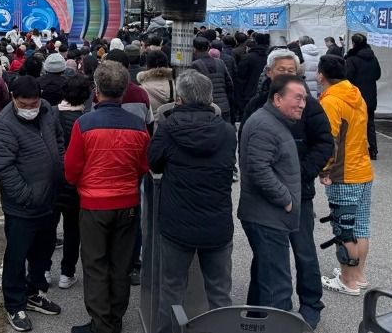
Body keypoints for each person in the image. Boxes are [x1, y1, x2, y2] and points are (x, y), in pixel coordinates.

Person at [65, 61, 149, 333]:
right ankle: (115, 318)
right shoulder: (138, 125)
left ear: (96, 91)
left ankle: (101, 323)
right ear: (123, 91)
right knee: (121, 264)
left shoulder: (84, 124)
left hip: (94, 203)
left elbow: (72, 168)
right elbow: (143, 165)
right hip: (127, 201)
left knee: (95, 264)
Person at [149, 70, 236, 328]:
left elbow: (154, 162)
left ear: (180, 99)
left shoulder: (168, 128)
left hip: (177, 221)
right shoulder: (227, 131)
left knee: (172, 289)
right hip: (217, 222)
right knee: (220, 291)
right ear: (210, 98)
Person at [0, 75, 64, 332]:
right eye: (24, 104)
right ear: (13, 98)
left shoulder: (48, 112)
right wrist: (26, 196)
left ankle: (33, 292)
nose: (30, 108)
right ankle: (14, 303)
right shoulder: (4, 124)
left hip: (50, 200)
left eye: (34, 103)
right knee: (17, 255)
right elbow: (3, 167)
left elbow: (59, 141)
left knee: (43, 252)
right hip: (22, 206)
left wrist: (60, 169)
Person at [237, 74, 304, 313]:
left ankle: (254, 323)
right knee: (277, 288)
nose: (302, 104)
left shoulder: (273, 122)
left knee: (264, 278)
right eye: (297, 98)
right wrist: (286, 199)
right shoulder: (265, 125)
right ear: (277, 99)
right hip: (267, 217)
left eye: (304, 99)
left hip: (268, 216)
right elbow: (259, 169)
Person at [317, 55, 374, 297]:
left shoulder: (331, 101)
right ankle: (358, 275)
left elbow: (330, 140)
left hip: (344, 173)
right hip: (363, 169)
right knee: (360, 226)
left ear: (321, 75)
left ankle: (348, 281)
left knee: (344, 230)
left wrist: (324, 169)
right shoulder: (356, 94)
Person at [53, 75, 90, 290]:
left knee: (48, 226)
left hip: (52, 178)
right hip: (76, 181)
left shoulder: (50, 114)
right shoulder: (87, 120)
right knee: (72, 229)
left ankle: (44, 270)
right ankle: (67, 272)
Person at [344, 33, 382, 160]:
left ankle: (357, 150)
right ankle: (373, 150)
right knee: (370, 123)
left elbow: (348, 77)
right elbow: (378, 75)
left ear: (354, 43)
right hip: (371, 94)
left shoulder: (351, 59)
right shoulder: (373, 57)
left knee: (355, 123)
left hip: (356, 96)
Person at [191, 36, 233, 120]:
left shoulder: (195, 65)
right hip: (223, 106)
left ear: (194, 49)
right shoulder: (220, 62)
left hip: (205, 108)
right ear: (208, 48)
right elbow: (230, 84)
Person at [236, 33, 270, 120]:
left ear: (256, 41)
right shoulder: (270, 57)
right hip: (267, 93)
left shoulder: (247, 57)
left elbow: (240, 77)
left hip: (249, 93)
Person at [137, 51, 175, 116]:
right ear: (167, 65)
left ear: (147, 66)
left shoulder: (140, 91)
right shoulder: (176, 86)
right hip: (171, 121)